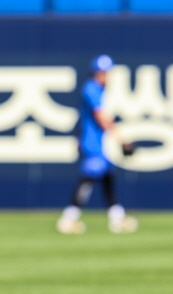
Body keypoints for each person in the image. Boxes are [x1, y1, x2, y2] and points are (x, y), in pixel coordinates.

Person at [57, 54, 138, 235]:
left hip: (101, 143)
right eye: (105, 72)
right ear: (98, 73)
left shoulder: (100, 90)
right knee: (88, 178)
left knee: (108, 177)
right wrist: (122, 139)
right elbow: (101, 117)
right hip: (92, 142)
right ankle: (68, 218)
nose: (107, 76)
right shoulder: (91, 89)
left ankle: (117, 218)